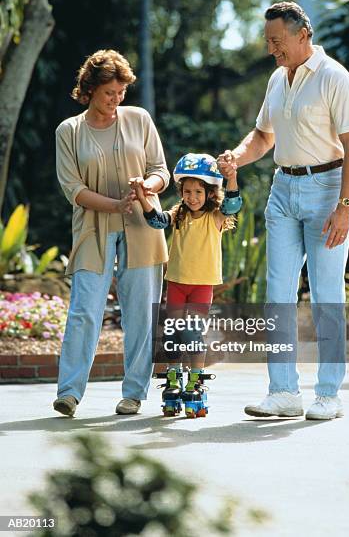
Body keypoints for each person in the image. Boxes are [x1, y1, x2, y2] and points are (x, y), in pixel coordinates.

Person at [218, 1, 349, 420]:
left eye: (277, 41)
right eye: (268, 42)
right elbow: (262, 137)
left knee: (325, 295)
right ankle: (283, 392)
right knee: (277, 291)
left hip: (327, 189)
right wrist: (236, 158)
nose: (271, 50)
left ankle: (328, 395)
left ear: (303, 34)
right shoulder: (277, 81)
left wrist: (344, 206)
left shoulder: (336, 78)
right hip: (283, 189)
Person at [53, 49, 169, 417]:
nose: (117, 100)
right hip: (93, 229)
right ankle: (69, 393)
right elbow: (73, 189)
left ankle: (134, 393)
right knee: (84, 311)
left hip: (142, 228)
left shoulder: (139, 119)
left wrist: (145, 187)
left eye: (121, 93)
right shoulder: (69, 131)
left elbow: (161, 171)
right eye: (109, 94)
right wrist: (114, 205)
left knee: (139, 313)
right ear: (88, 90)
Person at [131, 153, 242, 417]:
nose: (192, 197)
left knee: (192, 335)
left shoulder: (215, 217)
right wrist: (142, 196)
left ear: (209, 192)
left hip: (202, 286)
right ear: (181, 191)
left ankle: (195, 381)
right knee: (172, 335)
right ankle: (172, 381)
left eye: (198, 192)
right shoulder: (178, 215)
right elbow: (156, 221)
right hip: (177, 284)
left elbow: (234, 205)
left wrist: (233, 178)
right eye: (188, 191)